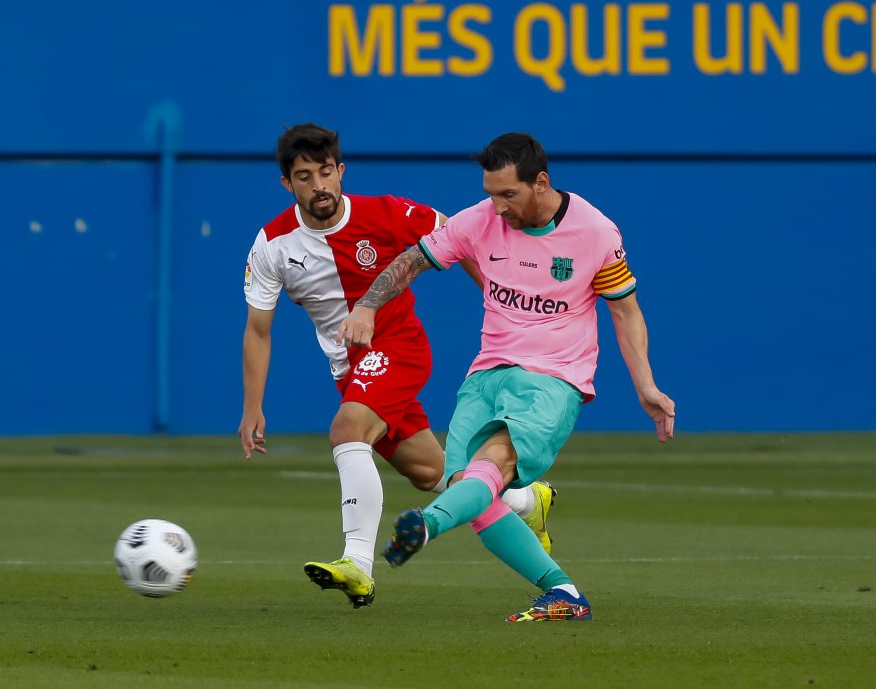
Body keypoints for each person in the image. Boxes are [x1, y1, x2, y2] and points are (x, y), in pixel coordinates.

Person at [337, 132, 676, 622]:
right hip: (487, 374)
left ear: (541, 183)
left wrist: (645, 385)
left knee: (487, 469)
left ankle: (426, 526)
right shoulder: (479, 220)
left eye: (508, 194)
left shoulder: (595, 232)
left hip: (553, 379)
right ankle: (564, 593)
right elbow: (412, 259)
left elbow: (625, 312)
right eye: (490, 193)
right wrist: (367, 306)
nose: (497, 207)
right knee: (470, 493)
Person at [239, 123, 557, 609]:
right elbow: (258, 329)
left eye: (327, 172)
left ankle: (357, 565)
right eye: (305, 176)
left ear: (341, 171)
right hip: (350, 370)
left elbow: (462, 237)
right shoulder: (273, 244)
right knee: (436, 473)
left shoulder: (386, 214)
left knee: (347, 430)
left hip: (398, 345)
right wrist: (252, 407)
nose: (319, 185)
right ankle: (527, 500)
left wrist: (500, 301)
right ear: (288, 183)